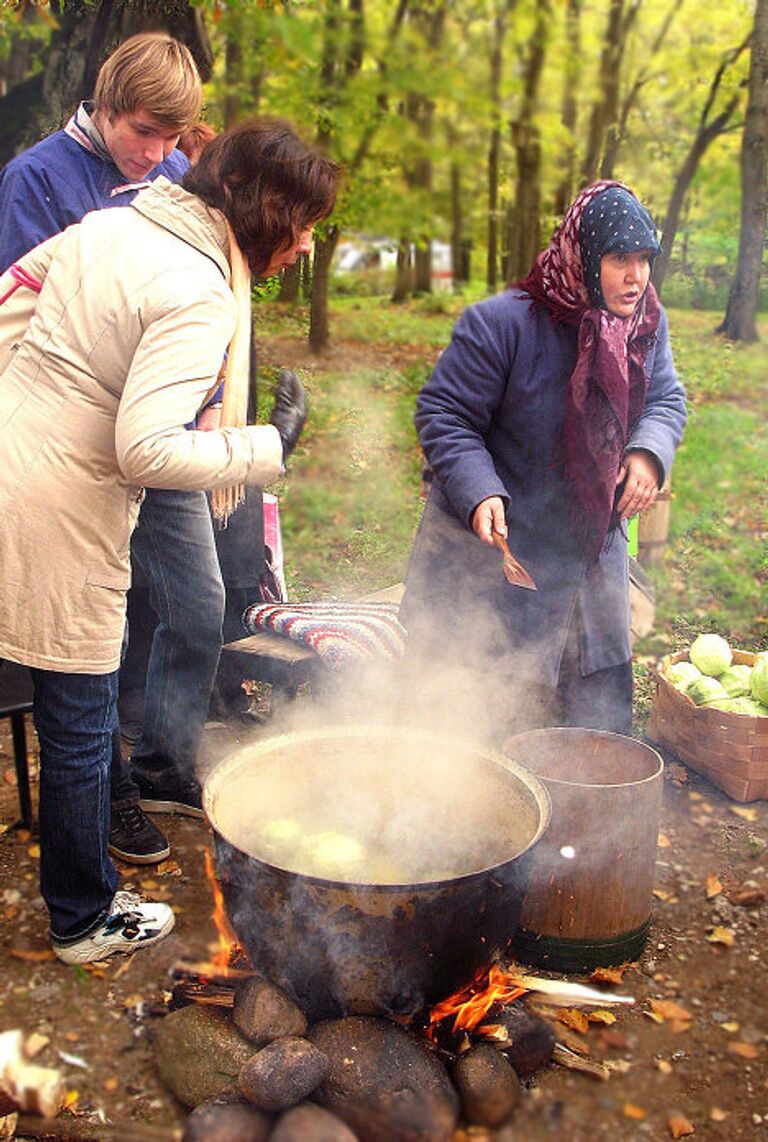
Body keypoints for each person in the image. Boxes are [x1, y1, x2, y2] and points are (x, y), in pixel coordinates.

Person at [0, 117, 339, 963]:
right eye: (299, 225)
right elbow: (144, 447)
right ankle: (84, 920)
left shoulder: (113, 223)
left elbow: (10, 301)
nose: (302, 246)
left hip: (19, 458)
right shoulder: (198, 289)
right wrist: (268, 447)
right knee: (77, 717)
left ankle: (93, 872)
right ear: (263, 209)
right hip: (64, 500)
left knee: (69, 702)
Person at [0, 34, 226, 866]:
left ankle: (162, 762)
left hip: (158, 437)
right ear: (102, 104)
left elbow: (195, 307)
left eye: (172, 138)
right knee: (98, 633)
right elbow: (19, 322)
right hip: (70, 456)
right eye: (143, 132)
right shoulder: (36, 179)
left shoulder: (167, 176)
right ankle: (110, 790)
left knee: (199, 605)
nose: (158, 154)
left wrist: (206, 403)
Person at [400, 181, 687, 742]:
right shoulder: (502, 324)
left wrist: (648, 454)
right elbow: (445, 412)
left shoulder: (644, 324)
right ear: (583, 257)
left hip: (589, 554)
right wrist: (479, 488)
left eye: (644, 259)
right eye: (619, 259)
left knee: (594, 732)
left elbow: (665, 399)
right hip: (499, 554)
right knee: (477, 731)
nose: (636, 277)